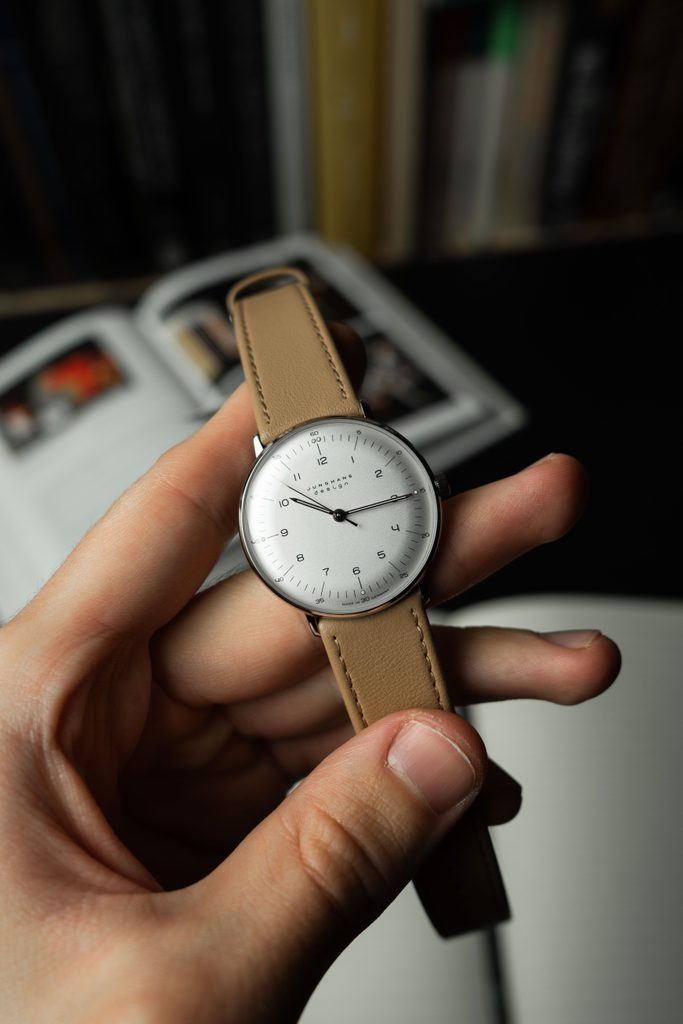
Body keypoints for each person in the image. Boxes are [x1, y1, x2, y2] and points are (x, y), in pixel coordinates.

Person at [0, 324, 620, 1022]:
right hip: (353, 592)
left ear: (425, 485)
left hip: (375, 580)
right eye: (327, 509)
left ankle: (468, 907)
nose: (339, 511)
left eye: (346, 507)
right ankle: (467, 905)